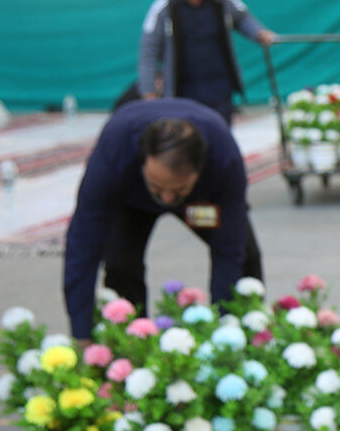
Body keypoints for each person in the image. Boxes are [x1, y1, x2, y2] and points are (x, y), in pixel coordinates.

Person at [63, 98, 263, 341]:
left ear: (200, 169)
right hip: (132, 201)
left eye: (177, 190)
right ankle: (131, 343)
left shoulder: (223, 157)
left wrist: (226, 333)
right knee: (120, 266)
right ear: (142, 160)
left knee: (245, 256)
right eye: (158, 187)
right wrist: (81, 333)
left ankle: (249, 333)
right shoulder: (115, 150)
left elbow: (228, 248)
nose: (167, 198)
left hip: (196, 204)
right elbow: (82, 244)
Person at [138, 0, 277, 125]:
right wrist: (149, 92)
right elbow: (148, 51)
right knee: (185, 145)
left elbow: (243, 19)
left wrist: (260, 33)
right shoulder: (163, 7)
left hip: (219, 91)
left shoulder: (223, 0)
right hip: (181, 93)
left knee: (220, 140)